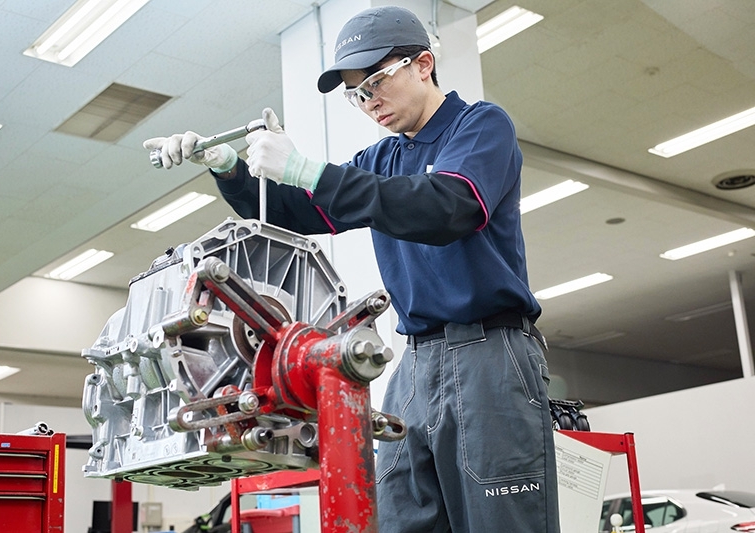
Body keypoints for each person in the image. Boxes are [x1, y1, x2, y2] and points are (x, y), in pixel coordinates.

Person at [144, 5, 559, 532]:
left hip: (490, 356)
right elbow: (298, 211)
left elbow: (450, 207)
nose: (368, 103)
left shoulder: (480, 127)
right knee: (400, 518)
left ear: (424, 64)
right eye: (355, 93)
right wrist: (229, 170)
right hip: (414, 362)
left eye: (377, 83)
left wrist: (311, 170)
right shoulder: (382, 160)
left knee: (501, 520)